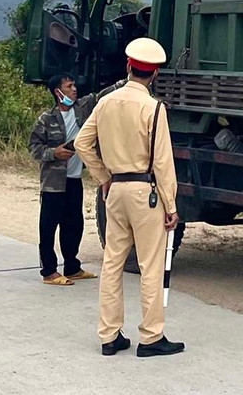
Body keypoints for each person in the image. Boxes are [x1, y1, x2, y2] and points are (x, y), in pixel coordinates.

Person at [74, 38, 184, 358]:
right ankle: (151, 337)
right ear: (155, 75)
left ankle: (109, 336)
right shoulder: (154, 108)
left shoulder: (106, 102)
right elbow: (162, 162)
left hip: (116, 190)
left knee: (112, 264)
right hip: (145, 193)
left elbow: (83, 143)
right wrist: (172, 205)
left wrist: (103, 177)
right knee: (150, 266)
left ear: (128, 67)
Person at [29, 74, 125, 286]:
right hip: (53, 183)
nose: (74, 89)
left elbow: (102, 95)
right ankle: (49, 272)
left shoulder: (82, 109)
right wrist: (54, 152)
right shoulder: (46, 119)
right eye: (69, 86)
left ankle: (72, 266)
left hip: (74, 180)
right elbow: (34, 148)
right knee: (48, 226)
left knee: (74, 225)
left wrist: (126, 81)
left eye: (74, 85)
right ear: (58, 92)